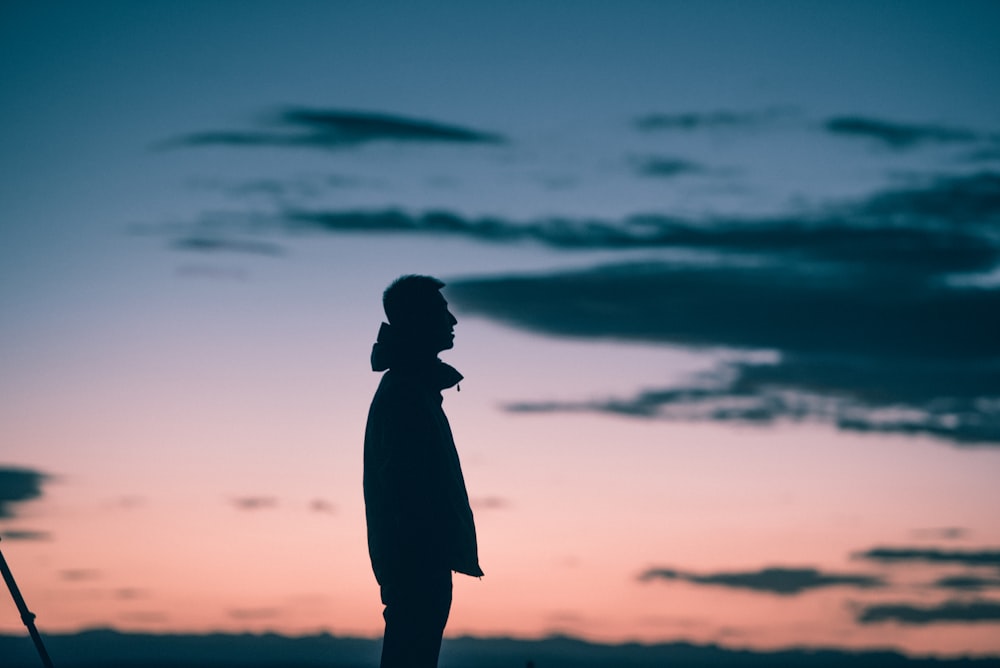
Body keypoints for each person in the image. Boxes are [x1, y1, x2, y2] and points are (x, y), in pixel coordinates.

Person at [363, 275, 483, 668]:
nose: (453, 320)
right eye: (440, 311)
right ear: (416, 321)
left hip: (419, 559)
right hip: (416, 562)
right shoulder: (405, 393)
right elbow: (406, 486)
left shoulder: (413, 388)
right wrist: (426, 551)